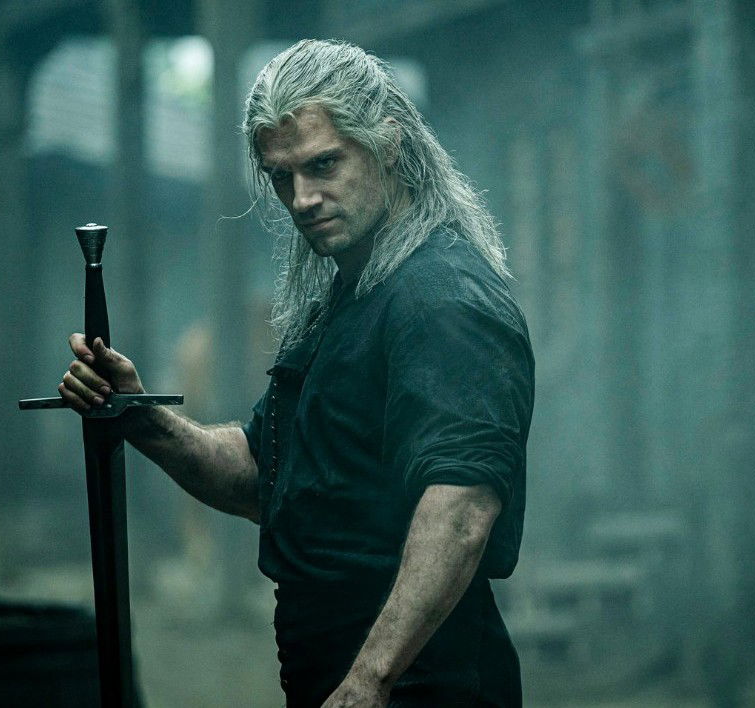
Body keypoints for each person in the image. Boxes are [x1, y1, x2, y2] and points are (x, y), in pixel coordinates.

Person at [59, 39, 534, 707]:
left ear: (389, 145)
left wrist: (370, 680)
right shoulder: (350, 297)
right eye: (282, 177)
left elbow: (461, 509)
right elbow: (267, 474)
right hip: (340, 667)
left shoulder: (442, 297)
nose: (302, 198)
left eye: (324, 164)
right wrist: (140, 416)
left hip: (423, 682)